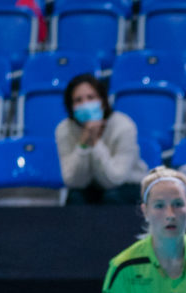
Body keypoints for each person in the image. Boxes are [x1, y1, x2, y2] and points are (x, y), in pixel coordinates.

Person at [55, 74, 148, 205]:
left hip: (127, 185)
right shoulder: (64, 129)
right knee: (75, 199)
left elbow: (114, 179)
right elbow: (72, 181)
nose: (85, 104)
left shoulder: (123, 126)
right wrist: (83, 144)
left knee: (111, 198)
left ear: (103, 102)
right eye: (78, 100)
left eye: (91, 97)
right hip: (89, 186)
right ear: (70, 106)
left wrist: (95, 142)